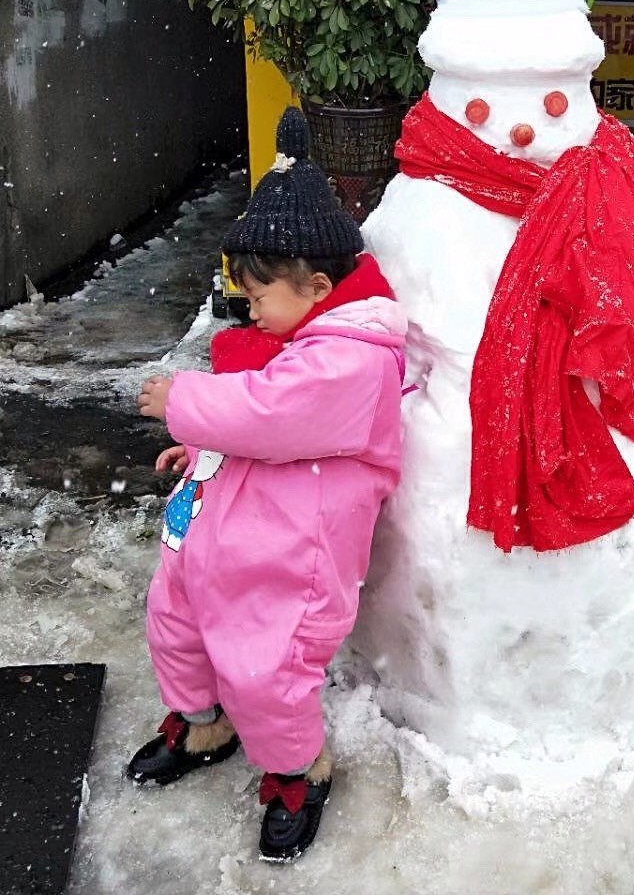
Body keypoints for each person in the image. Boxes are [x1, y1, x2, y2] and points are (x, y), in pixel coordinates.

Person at [127, 108, 406, 862]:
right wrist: (199, 444)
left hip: (290, 555)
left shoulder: (355, 358)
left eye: (258, 294)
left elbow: (272, 413)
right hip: (221, 526)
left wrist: (182, 401)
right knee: (174, 620)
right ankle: (202, 721)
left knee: (266, 666)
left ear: (318, 285)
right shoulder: (299, 336)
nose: (248, 307)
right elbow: (252, 419)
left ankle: (296, 769)